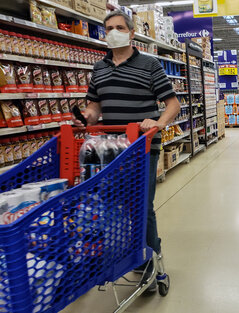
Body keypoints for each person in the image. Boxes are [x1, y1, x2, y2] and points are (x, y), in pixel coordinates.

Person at [73, 10, 180, 295]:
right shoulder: (99, 68)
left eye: (120, 27)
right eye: (109, 28)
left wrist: (157, 122)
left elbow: (172, 104)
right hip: (110, 150)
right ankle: (124, 255)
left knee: (141, 207)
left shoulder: (149, 64)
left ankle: (154, 262)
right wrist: (85, 118)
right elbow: (94, 108)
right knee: (108, 206)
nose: (113, 32)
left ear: (131, 33)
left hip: (142, 147)